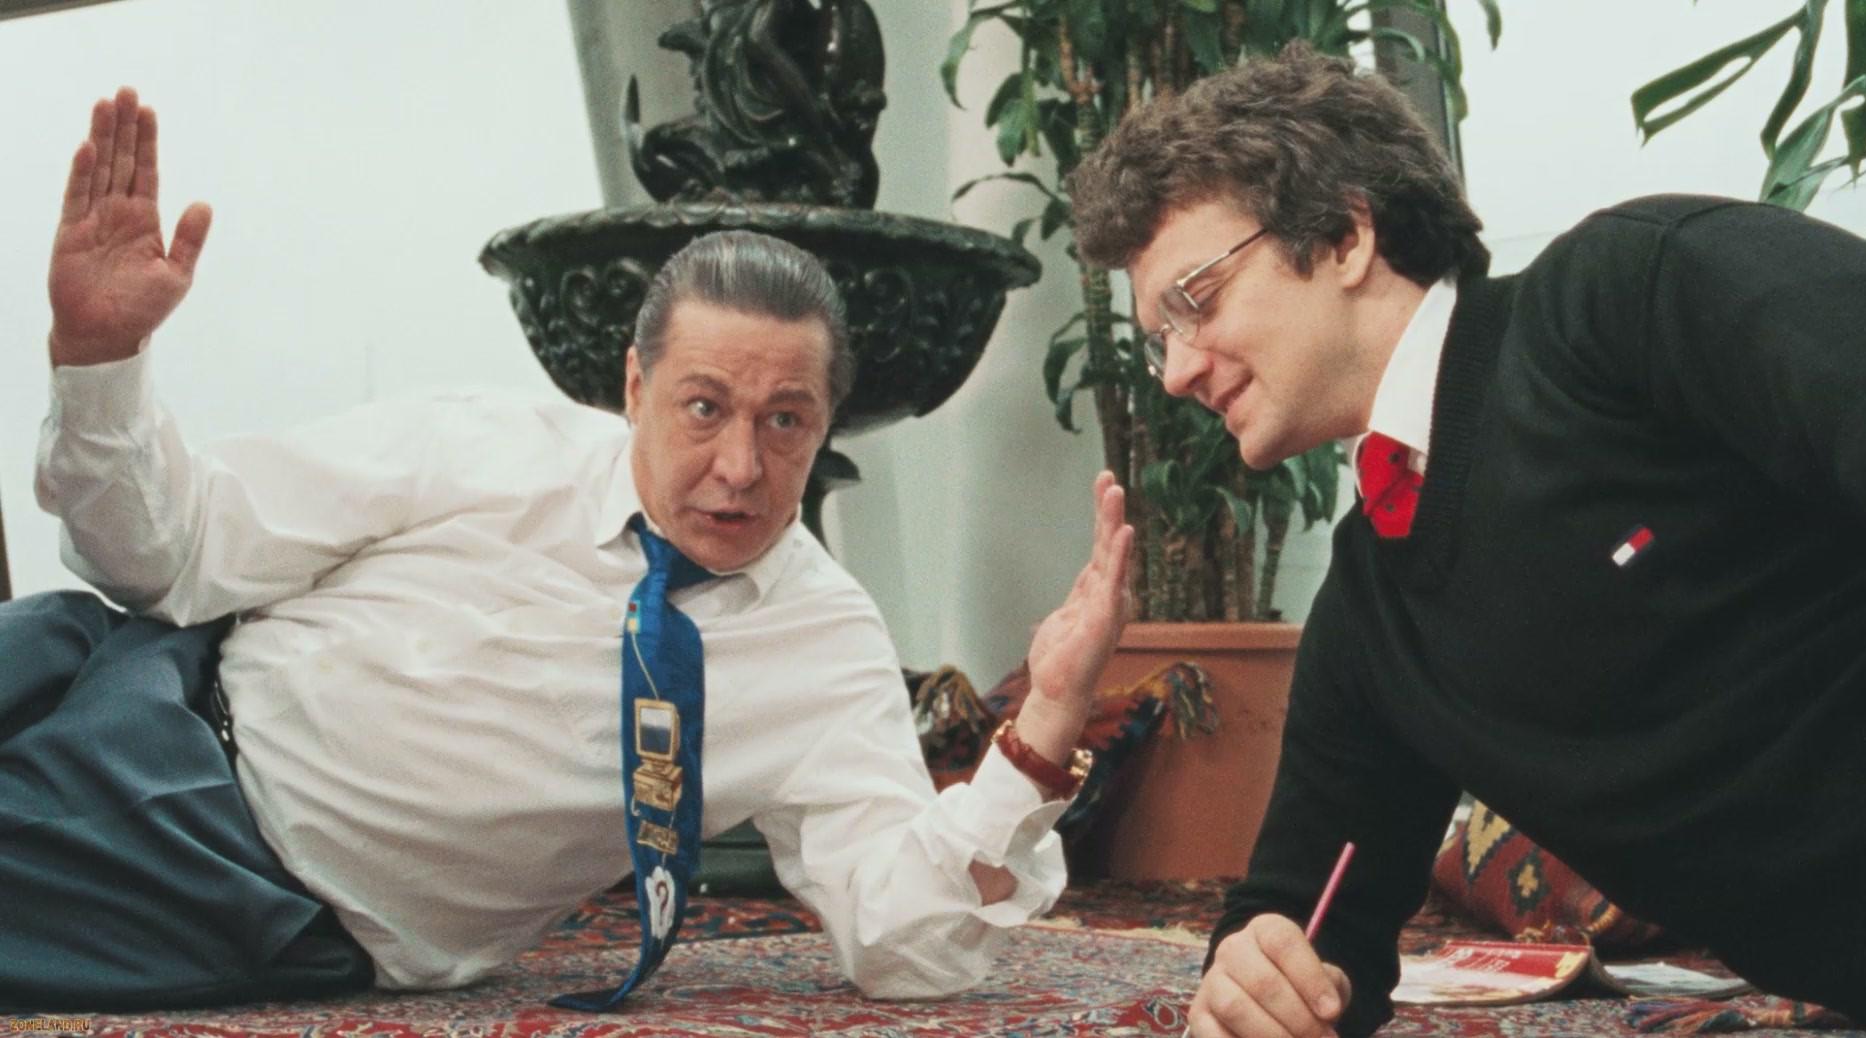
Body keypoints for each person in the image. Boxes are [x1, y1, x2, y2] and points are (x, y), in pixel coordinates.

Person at [2, 87, 1133, 1012]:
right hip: (132, 681)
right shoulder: (481, 440)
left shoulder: (825, 650)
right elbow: (165, 557)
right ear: (635, 387)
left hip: (228, 880)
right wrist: (98, 360)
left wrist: (1042, 729)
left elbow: (906, 946)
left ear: (826, 425)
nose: (741, 465)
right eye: (704, 407)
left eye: (785, 420)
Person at [1065, 40, 1866, 1038]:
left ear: (1344, 236)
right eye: (1157, 340)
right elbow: (1308, 920)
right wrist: (1259, 978)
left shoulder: (1632, 292)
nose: (1175, 373)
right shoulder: (1369, 609)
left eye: (1196, 300)